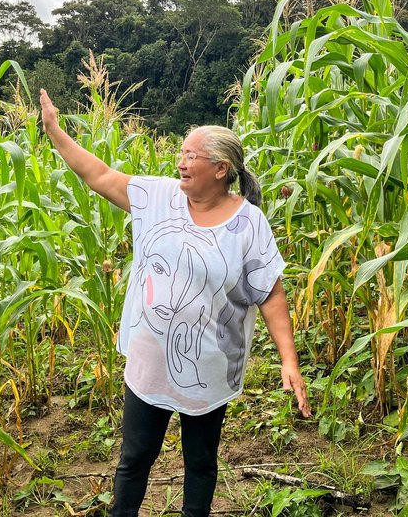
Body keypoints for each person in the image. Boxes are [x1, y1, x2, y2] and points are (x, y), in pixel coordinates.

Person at [39, 88, 311, 517]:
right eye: (181, 153)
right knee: (134, 461)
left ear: (221, 169)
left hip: (209, 368)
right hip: (150, 362)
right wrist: (55, 131)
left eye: (191, 155)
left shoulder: (248, 223)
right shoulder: (158, 197)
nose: (180, 163)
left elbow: (270, 292)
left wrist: (289, 361)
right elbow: (99, 174)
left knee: (200, 463)